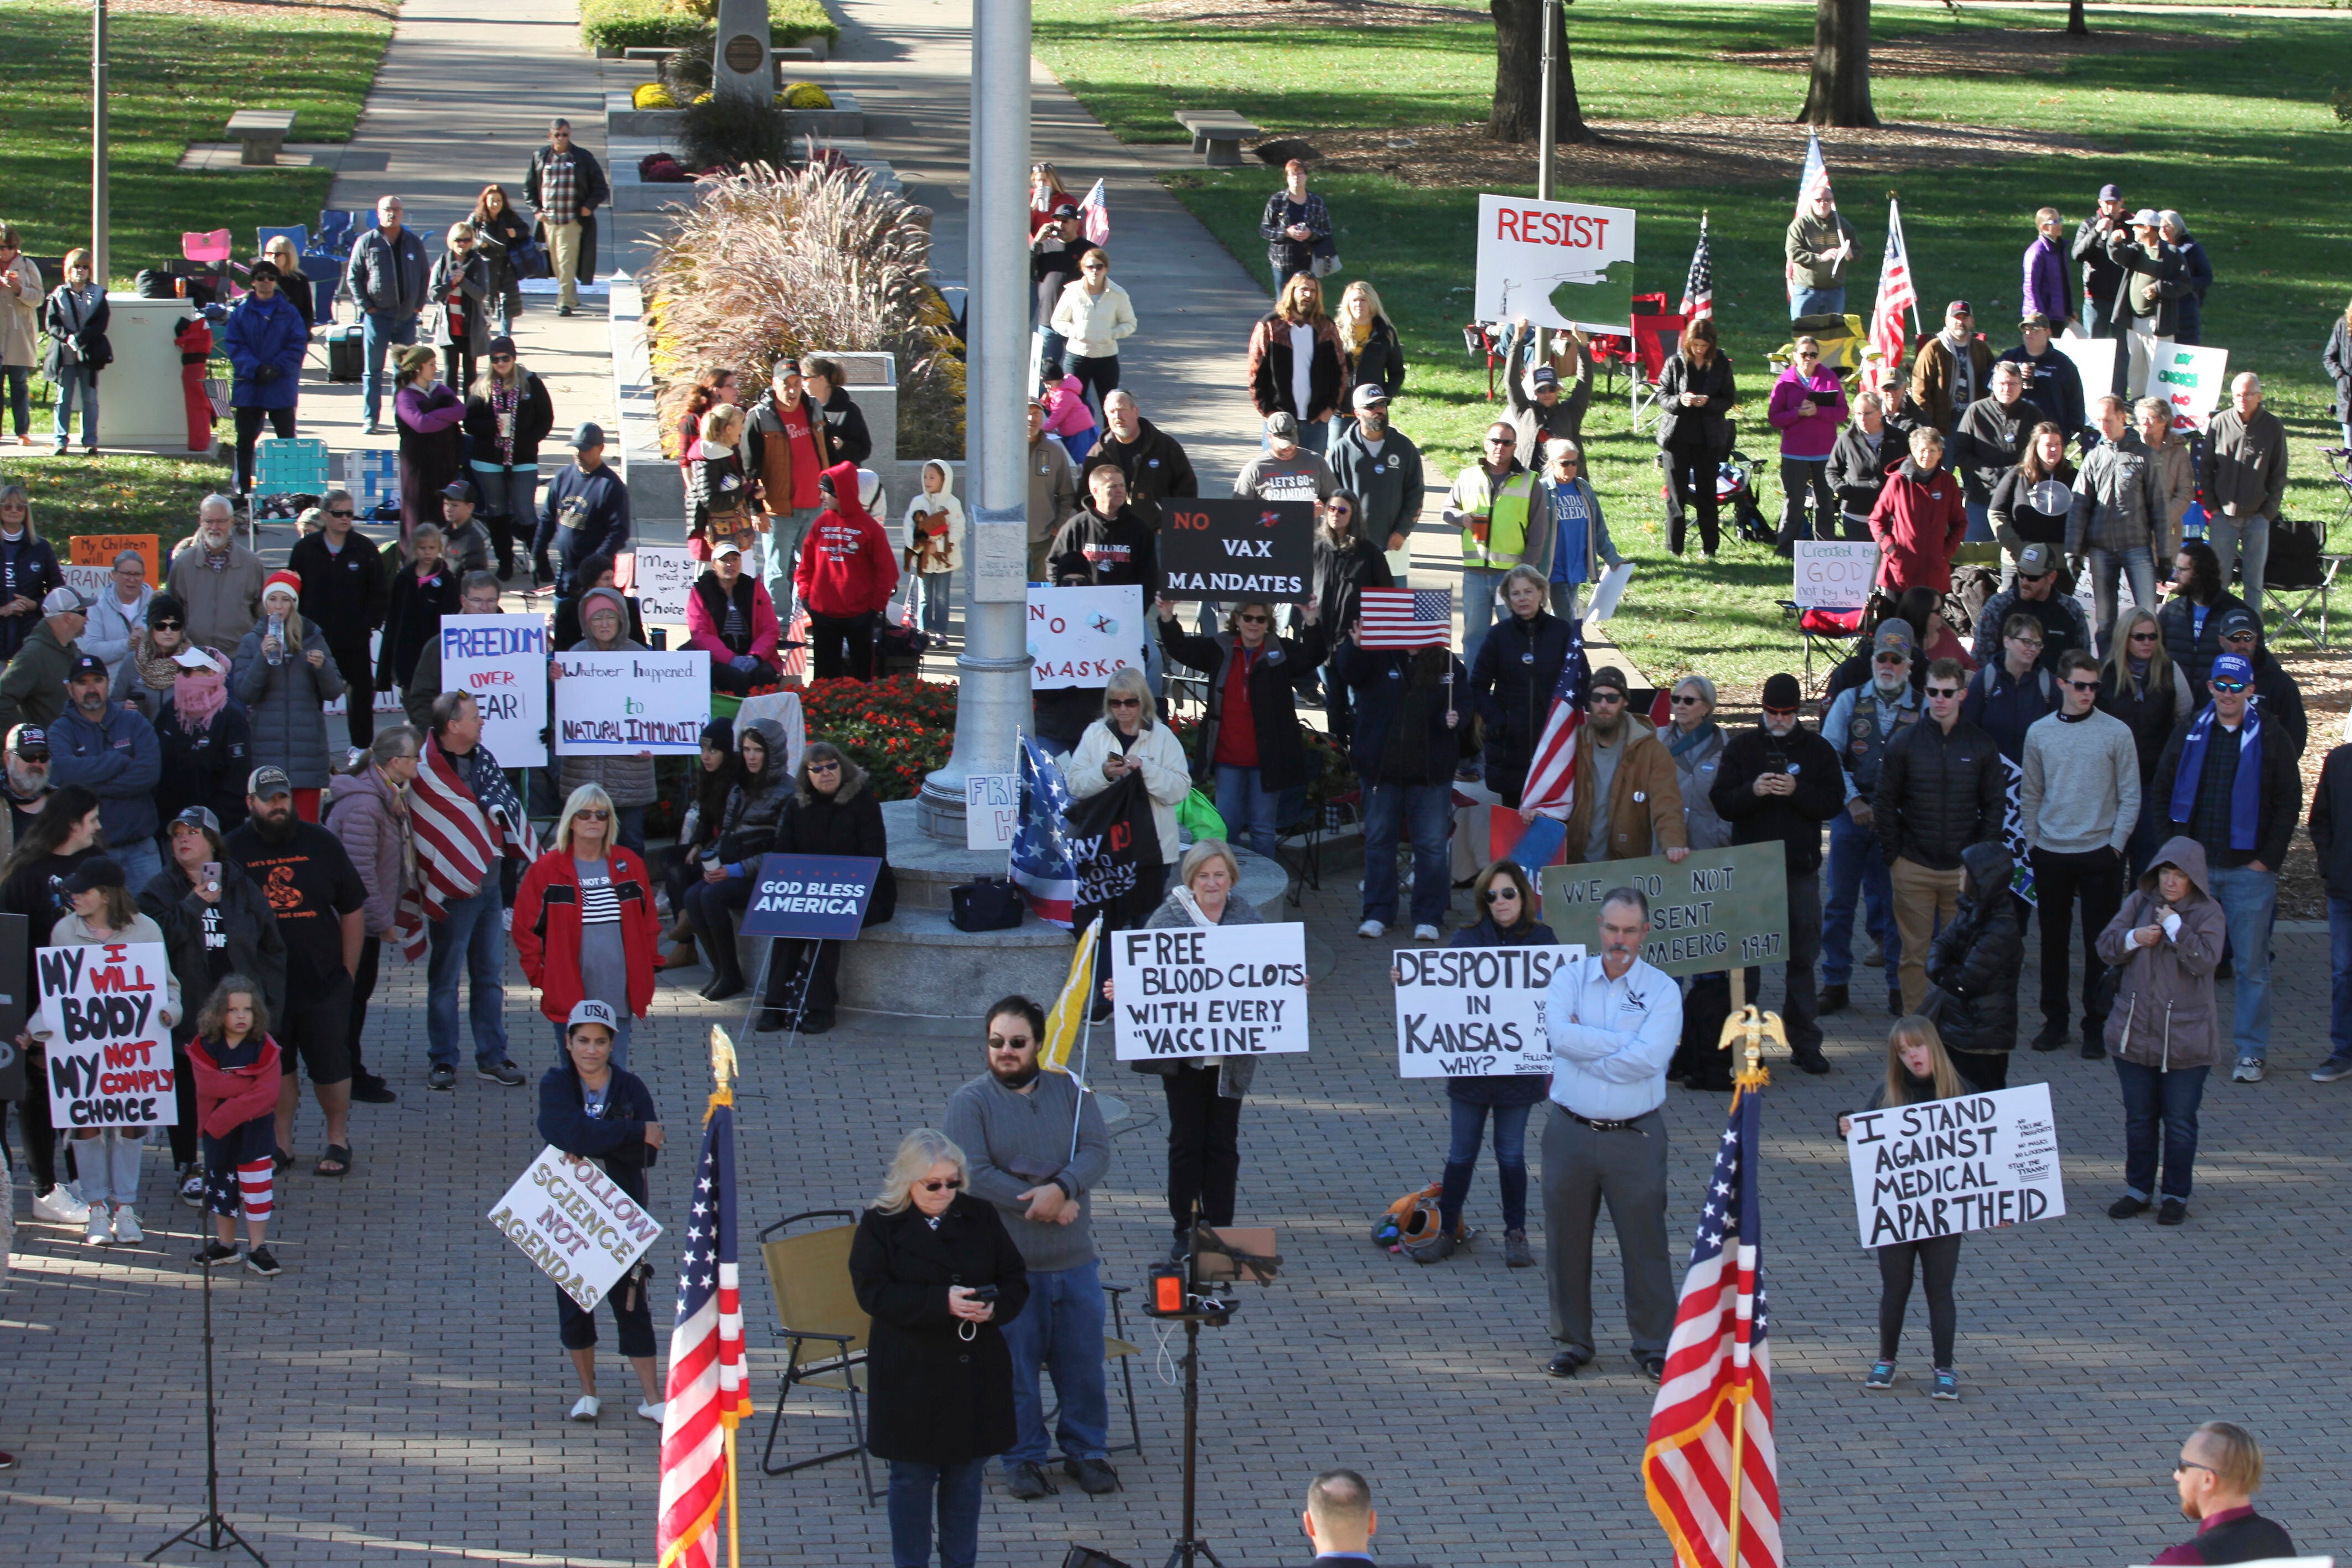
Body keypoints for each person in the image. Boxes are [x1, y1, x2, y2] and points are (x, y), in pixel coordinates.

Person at [939, 996, 1116, 1501]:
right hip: (1008, 1271)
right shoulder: (970, 1102)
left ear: (1039, 1044)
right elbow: (971, 1174)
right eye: (996, 1042)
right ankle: (1023, 1459)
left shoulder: (1071, 1087)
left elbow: (1097, 1151)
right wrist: (1044, 1203)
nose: (1006, 1051)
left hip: (1074, 1263)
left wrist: (1062, 1188)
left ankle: (1087, 1452)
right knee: (1015, 1373)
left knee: (1082, 1367)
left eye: (1018, 1042)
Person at [850, 1127, 1028, 1567]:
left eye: (953, 1183)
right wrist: (939, 1302)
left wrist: (994, 1308)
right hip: (911, 1377)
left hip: (972, 1372)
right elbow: (872, 1294)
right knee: (911, 1480)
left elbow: (1015, 1280)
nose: (945, 1192)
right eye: (934, 1184)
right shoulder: (880, 1224)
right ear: (908, 1182)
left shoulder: (980, 1216)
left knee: (966, 1481)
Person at [1540, 886, 1681, 1381]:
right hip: (1568, 1132)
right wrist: (1623, 1045)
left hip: (1636, 1137)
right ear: (1599, 927)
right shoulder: (1568, 979)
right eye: (1611, 928)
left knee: (1646, 1244)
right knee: (1565, 1241)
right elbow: (1559, 1036)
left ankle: (1654, 1346)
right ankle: (1572, 1341)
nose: (1618, 939)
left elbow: (1651, 1059)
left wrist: (1589, 1047)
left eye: (1629, 930)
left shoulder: (1664, 990)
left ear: (1645, 932)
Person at [2153, 653, 2298, 1085]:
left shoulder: (2271, 736)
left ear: (2251, 690)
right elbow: (2162, 788)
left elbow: (2289, 801)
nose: (2228, 693)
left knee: (2252, 968)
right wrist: (2172, 851)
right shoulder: (2190, 733)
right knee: (2186, 961)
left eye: (2237, 686)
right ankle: (2190, 1044)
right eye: (2222, 685)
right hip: (2193, 873)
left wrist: (2266, 860)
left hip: (2247, 873)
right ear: (2212, 688)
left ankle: (2252, 1053)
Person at [1408, 860, 1555, 1266]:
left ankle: (1516, 1234)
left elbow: (1559, 995)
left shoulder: (1543, 940)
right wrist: (1409, 982)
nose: (1500, 902)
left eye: (1508, 893)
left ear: (1523, 896)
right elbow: (1439, 991)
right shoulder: (1467, 938)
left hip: (1518, 1074)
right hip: (1472, 1069)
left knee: (1511, 1155)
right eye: (1491, 895)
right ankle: (1446, 1230)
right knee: (1461, 1153)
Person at [1126, 841, 1268, 1256]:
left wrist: (1294, 984)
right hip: (1182, 1059)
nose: (1212, 883)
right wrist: (1127, 990)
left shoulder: (1246, 918)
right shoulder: (1167, 919)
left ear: (1231, 880)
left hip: (1230, 1059)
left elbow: (1272, 970)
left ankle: (1220, 1228)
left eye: (1219, 875)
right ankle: (1185, 1226)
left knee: (1223, 1142)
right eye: (1203, 875)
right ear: (1191, 879)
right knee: (1187, 1141)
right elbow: (1144, 974)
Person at [142, 804, 288, 1198]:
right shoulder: (159, 889)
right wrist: (194, 903)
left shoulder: (242, 886)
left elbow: (271, 947)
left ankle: (233, 1164)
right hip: (188, 1010)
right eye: (176, 834)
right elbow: (154, 941)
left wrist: (269, 1003)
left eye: (192, 832)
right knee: (190, 1090)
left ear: (212, 842)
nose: (183, 840)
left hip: (238, 1009)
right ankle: (189, 1165)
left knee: (239, 1089)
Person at [33, 855, 182, 1245]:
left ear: (106, 895)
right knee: (86, 1122)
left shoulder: (145, 929)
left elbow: (169, 988)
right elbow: (57, 996)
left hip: (132, 1053)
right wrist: (37, 1028)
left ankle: (126, 1207)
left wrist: (168, 1013)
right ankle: (96, 1207)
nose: (74, 896)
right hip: (84, 1052)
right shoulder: (63, 931)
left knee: (132, 1121)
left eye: (82, 891)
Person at [224, 764, 365, 1170]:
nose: (278, 806)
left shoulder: (321, 843)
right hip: (262, 989)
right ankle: (280, 1143)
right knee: (277, 1068)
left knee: (331, 1067)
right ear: (250, 804)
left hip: (322, 982)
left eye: (283, 797)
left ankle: (337, 1139)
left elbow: (353, 907)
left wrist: (348, 974)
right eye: (268, 800)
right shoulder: (232, 849)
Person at [533, 999, 666, 1422]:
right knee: (574, 1306)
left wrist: (590, 1140)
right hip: (571, 1218)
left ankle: (652, 1398)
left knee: (632, 1305)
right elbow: (563, 1131)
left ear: (613, 1044)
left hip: (620, 1217)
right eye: (583, 1041)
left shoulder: (632, 1088)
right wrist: (630, 1132)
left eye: (601, 1042)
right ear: (568, 1043)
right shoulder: (555, 1084)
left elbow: (648, 1156)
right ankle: (588, 1394)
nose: (592, 1050)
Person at [1710, 673, 1843, 1073]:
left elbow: (1834, 802)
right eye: (1772, 712)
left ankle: (1804, 1042)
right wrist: (1753, 791)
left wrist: (1797, 791)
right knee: (1747, 966)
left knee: (1802, 959)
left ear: (1797, 712)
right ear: (1763, 710)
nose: (1780, 720)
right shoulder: (1742, 748)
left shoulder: (1818, 750)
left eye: (1787, 713)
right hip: (1752, 874)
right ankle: (1748, 1045)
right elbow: (1722, 801)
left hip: (1799, 870)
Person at [1838, 1016, 1976, 1400]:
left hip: (1943, 1213)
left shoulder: (1961, 1093)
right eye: (1902, 1050)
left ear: (1933, 1045)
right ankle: (1887, 1359)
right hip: (1898, 1212)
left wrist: (1994, 1207)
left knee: (1940, 1290)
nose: (1912, 1055)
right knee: (1895, 1288)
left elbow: (1989, 1160)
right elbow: (1861, 1135)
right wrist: (1845, 1126)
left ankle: (1944, 1367)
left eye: (1917, 1046)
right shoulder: (1890, 1092)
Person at [2091, 836, 2220, 1228]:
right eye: (2166, 873)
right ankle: (2138, 1190)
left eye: (2180, 876)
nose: (2171, 882)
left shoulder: (2209, 913)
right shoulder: (2138, 903)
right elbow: (2105, 947)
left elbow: (2207, 961)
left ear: (2193, 880)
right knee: (2139, 1118)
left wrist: (2176, 928)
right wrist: (2134, 938)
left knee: (2180, 1121)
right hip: (2134, 1034)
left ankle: (2175, 1194)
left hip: (2186, 1042)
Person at [2021, 648, 2140, 1055]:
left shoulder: (2116, 733)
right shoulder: (2039, 733)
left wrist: (2115, 846)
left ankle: (2096, 1023)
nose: (2088, 693)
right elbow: (2031, 792)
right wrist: (2033, 842)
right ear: (2061, 685)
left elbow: (2130, 795)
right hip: (2052, 850)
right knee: (2052, 943)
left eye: (2094, 686)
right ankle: (2055, 1021)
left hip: (2099, 853)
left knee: (2099, 944)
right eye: (2080, 685)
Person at [1873, 658, 2004, 1013]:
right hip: (1913, 865)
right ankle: (1915, 1029)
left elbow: (1994, 805)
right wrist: (1894, 856)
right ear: (1925, 692)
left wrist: (1977, 862)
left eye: (1948, 693)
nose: (1940, 700)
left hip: (1962, 873)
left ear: (1962, 694)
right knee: (1914, 955)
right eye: (1932, 692)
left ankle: (1952, 1028)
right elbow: (1884, 801)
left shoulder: (1980, 745)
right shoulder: (1905, 743)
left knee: (1959, 955)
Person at [414, 692, 530, 1091]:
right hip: (451, 890)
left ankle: (492, 1057)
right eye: (477, 716)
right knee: (445, 979)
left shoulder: (485, 759)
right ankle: (443, 1060)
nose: (483, 722)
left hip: (491, 885)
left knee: (489, 976)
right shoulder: (423, 769)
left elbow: (507, 803)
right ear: (453, 726)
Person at [1158, 596, 1324, 860]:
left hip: (1268, 760)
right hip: (1228, 760)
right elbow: (1181, 650)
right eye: (1248, 618)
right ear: (1237, 619)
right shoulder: (1220, 647)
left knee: (1262, 830)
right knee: (1227, 827)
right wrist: (1167, 616)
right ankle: (1229, 889)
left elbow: (1313, 655)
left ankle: (1267, 892)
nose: (1254, 624)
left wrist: (1311, 619)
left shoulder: (1280, 651)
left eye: (1261, 619)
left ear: (1269, 623)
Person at [514, 785, 659, 1069]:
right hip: (569, 987)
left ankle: (609, 1115)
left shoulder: (630, 864)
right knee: (575, 1071)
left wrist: (648, 966)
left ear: (610, 822)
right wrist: (541, 976)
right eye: (585, 814)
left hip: (619, 987)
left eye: (601, 815)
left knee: (614, 1070)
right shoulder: (546, 869)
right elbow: (524, 928)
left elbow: (649, 923)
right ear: (571, 820)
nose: (593, 820)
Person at [755, 743, 897, 1036]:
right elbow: (784, 853)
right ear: (807, 775)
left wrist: (829, 888)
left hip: (863, 892)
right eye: (817, 769)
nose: (826, 773)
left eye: (831, 766)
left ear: (841, 767)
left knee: (825, 923)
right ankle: (775, 1005)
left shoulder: (864, 803)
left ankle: (821, 1008)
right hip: (811, 892)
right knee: (788, 923)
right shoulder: (797, 806)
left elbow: (874, 856)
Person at [1820, 625, 1919, 1020]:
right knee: (1840, 902)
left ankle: (1898, 986)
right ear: (1873, 661)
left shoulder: (1922, 709)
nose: (1889, 666)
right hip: (1851, 815)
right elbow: (1829, 753)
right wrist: (1853, 800)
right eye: (1883, 658)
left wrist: (1894, 809)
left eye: (1897, 660)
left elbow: (1924, 766)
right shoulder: (1848, 701)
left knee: (1898, 905)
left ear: (1909, 665)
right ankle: (1835, 982)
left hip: (1896, 821)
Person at [1337, 635, 1464, 942]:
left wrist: (1457, 717)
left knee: (1432, 847)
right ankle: (1378, 913)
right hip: (1382, 772)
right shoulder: (1375, 655)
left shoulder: (1446, 663)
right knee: (1379, 842)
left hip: (1431, 774)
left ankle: (1428, 917)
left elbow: (1465, 701)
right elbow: (1348, 673)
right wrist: (1354, 645)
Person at [326, 726, 418, 1106]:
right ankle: (344, 1073)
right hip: (350, 925)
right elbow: (359, 874)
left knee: (358, 997)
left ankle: (352, 1067)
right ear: (395, 763)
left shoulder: (383, 795)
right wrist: (384, 923)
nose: (418, 763)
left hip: (360, 922)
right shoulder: (366, 805)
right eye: (414, 757)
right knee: (351, 998)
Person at [678, 718, 792, 1001]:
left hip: (765, 876)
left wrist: (735, 870)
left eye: (758, 750)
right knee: (693, 896)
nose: (751, 756)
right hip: (735, 866)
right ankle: (721, 971)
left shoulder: (788, 792)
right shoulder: (740, 787)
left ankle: (731, 975)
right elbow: (728, 832)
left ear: (772, 752)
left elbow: (782, 853)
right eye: (746, 749)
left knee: (711, 897)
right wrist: (713, 859)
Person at [186, 977, 286, 1276]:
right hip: (220, 1137)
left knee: (257, 1191)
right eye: (233, 1010)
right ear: (219, 1013)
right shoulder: (204, 1046)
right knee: (221, 1187)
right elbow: (207, 1084)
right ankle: (226, 1245)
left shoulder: (266, 1047)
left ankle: (258, 1248)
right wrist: (246, 1085)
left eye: (248, 1009)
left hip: (253, 1133)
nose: (241, 1016)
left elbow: (267, 1093)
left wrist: (221, 1116)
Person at [1067, 667, 1189, 906]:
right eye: (1116, 703)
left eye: (1130, 702)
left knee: (1145, 925)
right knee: (1108, 926)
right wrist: (1103, 774)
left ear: (1142, 701)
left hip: (1152, 850)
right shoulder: (1095, 734)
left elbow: (1180, 790)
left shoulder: (1162, 736)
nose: (1123, 709)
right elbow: (1075, 785)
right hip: (1104, 848)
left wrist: (1145, 770)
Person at [47, 652, 164, 890]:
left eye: (97, 681)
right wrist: (118, 760)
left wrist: (89, 786)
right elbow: (63, 775)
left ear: (108, 684)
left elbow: (149, 775)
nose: (91, 688)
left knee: (153, 922)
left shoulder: (135, 722)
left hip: (141, 849)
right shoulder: (60, 730)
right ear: (70, 689)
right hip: (89, 853)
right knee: (97, 926)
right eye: (82, 682)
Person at [234, 573, 344, 822]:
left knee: (306, 830)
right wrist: (262, 658)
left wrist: (322, 667)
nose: (279, 606)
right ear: (265, 604)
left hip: (308, 752)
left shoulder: (313, 637)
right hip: (267, 751)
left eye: (285, 599)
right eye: (273, 599)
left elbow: (334, 691)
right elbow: (244, 693)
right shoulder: (252, 642)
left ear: (294, 603)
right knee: (272, 829)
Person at [1558, 664, 1690, 869]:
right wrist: (1538, 809)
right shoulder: (1572, 745)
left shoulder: (1652, 751)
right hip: (1576, 863)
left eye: (1612, 698)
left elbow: (1668, 805)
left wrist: (1673, 844)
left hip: (1625, 866)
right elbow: (1551, 788)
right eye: (1597, 697)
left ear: (1625, 702)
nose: (1603, 704)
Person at [288, 490, 390, 750]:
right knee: (310, 695)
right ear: (325, 516)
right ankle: (310, 747)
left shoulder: (365, 549)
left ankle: (361, 749)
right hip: (314, 639)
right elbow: (293, 590)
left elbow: (378, 591)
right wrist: (298, 628)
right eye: (339, 513)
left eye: (349, 513)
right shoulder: (305, 549)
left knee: (360, 695)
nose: (345, 518)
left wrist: (368, 622)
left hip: (353, 639)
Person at [1919, 840, 2022, 1091]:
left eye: (1967, 870)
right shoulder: (1971, 910)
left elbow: (1966, 982)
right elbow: (1940, 946)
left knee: (1982, 1104)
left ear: (1983, 878)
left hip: (1982, 1038)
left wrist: (1942, 970)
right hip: (1960, 1029)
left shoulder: (2000, 928)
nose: (1960, 874)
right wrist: (1944, 968)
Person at [2099, 606, 2193, 876]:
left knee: (2149, 863)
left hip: (2154, 783)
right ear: (2124, 638)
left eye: (2153, 637)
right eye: (2140, 637)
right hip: (2112, 785)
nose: (2148, 643)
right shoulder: (2106, 675)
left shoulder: (2170, 671)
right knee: (2110, 863)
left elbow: (2186, 720)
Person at [1469, 566, 1570, 811]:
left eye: (1528, 591)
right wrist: (1497, 720)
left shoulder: (1562, 632)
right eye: (1515, 594)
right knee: (1513, 822)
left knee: (1550, 821)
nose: (1522, 598)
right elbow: (1477, 687)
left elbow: (1580, 680)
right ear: (1507, 599)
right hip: (1510, 745)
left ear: (1541, 593)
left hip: (1552, 741)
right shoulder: (1497, 636)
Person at [796, 460, 899, 682]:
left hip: (860, 616)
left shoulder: (870, 528)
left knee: (861, 678)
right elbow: (806, 567)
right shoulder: (820, 524)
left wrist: (873, 609)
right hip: (823, 615)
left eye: (826, 492)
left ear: (841, 492)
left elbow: (888, 573)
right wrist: (807, 600)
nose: (821, 498)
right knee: (824, 679)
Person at [1444, 421, 1535, 671]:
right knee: (1474, 638)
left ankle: (1514, 691)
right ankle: (1473, 693)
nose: (1500, 447)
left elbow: (1540, 531)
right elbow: (1447, 510)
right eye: (1495, 441)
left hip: (1512, 577)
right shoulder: (1467, 476)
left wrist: (1526, 573)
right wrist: (1461, 519)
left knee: (1516, 638)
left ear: (1515, 447)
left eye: (1507, 443)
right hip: (1475, 574)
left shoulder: (1529, 481)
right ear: (1485, 444)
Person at [464, 337, 555, 580]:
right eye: (495, 359)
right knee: (498, 512)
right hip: (488, 459)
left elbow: (546, 419)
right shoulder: (481, 385)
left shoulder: (531, 383)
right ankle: (505, 563)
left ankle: (541, 560)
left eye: (506, 358)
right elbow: (469, 422)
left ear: (514, 358)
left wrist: (528, 440)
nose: (501, 363)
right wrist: (492, 427)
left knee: (526, 512)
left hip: (522, 457)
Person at [745, 358, 833, 604]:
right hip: (778, 511)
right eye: (787, 385)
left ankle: (804, 620)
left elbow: (828, 451)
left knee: (812, 570)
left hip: (815, 506)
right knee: (777, 572)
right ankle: (781, 625)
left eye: (797, 383)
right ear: (774, 385)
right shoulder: (760, 416)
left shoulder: (814, 408)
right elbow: (749, 468)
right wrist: (756, 509)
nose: (793, 390)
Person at [2200, 373, 2288, 614]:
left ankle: (2253, 637)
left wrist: (2268, 511)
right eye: (2238, 394)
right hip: (2223, 516)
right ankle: (2217, 631)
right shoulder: (2220, 422)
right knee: (2220, 582)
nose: (2242, 399)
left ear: (2259, 397)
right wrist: (2213, 505)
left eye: (2248, 394)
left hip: (2257, 516)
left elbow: (2279, 472)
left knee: (2254, 583)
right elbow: (2206, 466)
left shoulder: (2273, 426)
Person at [2149, 1421, 2296, 1564]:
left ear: (2208, 1479)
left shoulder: (2182, 1561)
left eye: (2182, 1466)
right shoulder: (2277, 1538)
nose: (2177, 1475)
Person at [220, 259, 306, 502]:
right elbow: (234, 345)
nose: (266, 282)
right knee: (245, 439)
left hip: (280, 384)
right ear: (253, 282)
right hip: (250, 384)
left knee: (286, 440)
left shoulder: (289, 312)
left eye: (270, 277)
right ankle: (242, 490)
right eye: (261, 277)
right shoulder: (241, 312)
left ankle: (289, 491)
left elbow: (297, 343)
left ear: (276, 281)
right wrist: (255, 368)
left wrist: (277, 368)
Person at [345, 196, 430, 434]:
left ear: (402, 213)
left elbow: (425, 275)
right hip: (377, 317)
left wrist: (418, 306)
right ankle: (370, 418)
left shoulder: (413, 242)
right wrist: (367, 307)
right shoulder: (367, 242)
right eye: (387, 210)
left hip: (406, 317)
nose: (392, 214)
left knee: (403, 372)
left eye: (396, 210)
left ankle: (401, 416)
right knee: (373, 371)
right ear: (378, 214)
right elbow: (353, 278)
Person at [1656, 319, 1738, 560]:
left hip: (1708, 439)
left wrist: (1709, 403)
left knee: (1707, 495)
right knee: (1676, 495)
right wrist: (1680, 401)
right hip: (1677, 437)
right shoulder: (1675, 362)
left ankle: (1710, 547)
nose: (1699, 349)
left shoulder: (1721, 363)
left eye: (1704, 345)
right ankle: (1675, 548)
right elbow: (1662, 395)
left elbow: (1728, 398)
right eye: (1695, 345)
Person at [1246, 274, 1348, 458]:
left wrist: (1330, 408)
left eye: (1313, 291)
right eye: (1304, 289)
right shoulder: (1270, 326)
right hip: (1280, 418)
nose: (1308, 295)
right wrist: (1268, 412)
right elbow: (1255, 373)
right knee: (1277, 478)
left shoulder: (1326, 327)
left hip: (1316, 422)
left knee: (1312, 479)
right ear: (1292, 292)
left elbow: (1340, 371)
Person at [1768, 337, 1849, 550]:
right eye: (1804, 354)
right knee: (1794, 502)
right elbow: (1774, 418)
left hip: (1824, 452)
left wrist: (1818, 411)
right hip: (1795, 453)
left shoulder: (1828, 377)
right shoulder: (1785, 381)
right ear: (1795, 356)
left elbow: (1842, 413)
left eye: (1813, 355)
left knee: (1825, 503)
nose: (1809, 359)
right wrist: (1798, 413)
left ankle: (1824, 548)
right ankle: (1786, 547)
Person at [535, 422, 631, 595]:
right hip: (565, 571)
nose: (579, 454)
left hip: (594, 578)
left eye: (586, 449)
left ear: (601, 448)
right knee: (564, 617)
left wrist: (594, 566)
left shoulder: (610, 486)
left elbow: (619, 533)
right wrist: (538, 552)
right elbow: (548, 518)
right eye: (576, 448)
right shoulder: (563, 476)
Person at [524, 118, 608, 318]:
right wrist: (536, 210)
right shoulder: (540, 157)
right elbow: (529, 188)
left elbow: (600, 187)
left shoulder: (583, 158)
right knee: (557, 263)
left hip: (572, 219)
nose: (561, 139)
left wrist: (588, 207)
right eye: (557, 135)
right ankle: (572, 296)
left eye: (565, 135)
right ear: (550, 136)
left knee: (565, 261)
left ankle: (565, 302)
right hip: (549, 220)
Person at [1327, 385, 1423, 559]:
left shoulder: (1404, 448)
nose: (1379, 410)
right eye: (1371, 407)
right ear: (1357, 414)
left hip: (1392, 545)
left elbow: (1415, 494)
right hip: (1351, 543)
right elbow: (1331, 496)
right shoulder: (1341, 450)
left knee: (1393, 587)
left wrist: (1402, 531)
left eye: (1382, 405)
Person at [1868, 428, 1965, 596]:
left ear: (1940, 453)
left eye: (1932, 450)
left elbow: (1960, 523)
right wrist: (1891, 548)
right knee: (1897, 622)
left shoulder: (1948, 483)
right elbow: (1876, 520)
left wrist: (1946, 552)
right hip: (1900, 572)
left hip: (1934, 574)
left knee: (1931, 622)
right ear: (1913, 451)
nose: (1927, 455)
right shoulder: (1897, 481)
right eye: (1922, 450)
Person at [166, 496, 268, 656]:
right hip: (194, 658)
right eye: (209, 521)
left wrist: (256, 647)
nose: (214, 527)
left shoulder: (251, 564)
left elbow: (263, 613)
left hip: (240, 657)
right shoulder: (183, 564)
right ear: (201, 522)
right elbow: (170, 610)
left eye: (221, 521)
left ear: (232, 522)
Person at [1090, 390, 1197, 539]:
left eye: (1122, 410)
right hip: (1112, 536)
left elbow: (1187, 491)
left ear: (1135, 412)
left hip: (1156, 535)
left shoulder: (1165, 446)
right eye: (1112, 412)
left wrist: (1171, 526)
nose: (1117, 416)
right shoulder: (1098, 454)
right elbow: (1085, 497)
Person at [1047, 247, 1134, 428]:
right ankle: (1077, 450)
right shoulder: (1072, 292)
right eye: (1090, 266)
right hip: (1077, 357)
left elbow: (1130, 323)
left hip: (1106, 359)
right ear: (1083, 269)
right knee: (1072, 406)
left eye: (1099, 266)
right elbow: (1057, 321)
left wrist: (1112, 334)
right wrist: (1077, 333)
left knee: (1111, 407)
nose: (1095, 271)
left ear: (1106, 269)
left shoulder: (1118, 294)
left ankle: (1111, 446)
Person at [403, 570, 501, 730]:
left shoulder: (520, 641)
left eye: (491, 600)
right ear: (463, 601)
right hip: (454, 739)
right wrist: (435, 733)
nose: (485, 607)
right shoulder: (441, 645)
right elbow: (422, 697)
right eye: (477, 600)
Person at [1968, 542, 2087, 675]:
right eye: (2021, 574)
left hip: (2056, 692)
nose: (2025, 582)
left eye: (2032, 577)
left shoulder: (2071, 610)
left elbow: (2082, 662)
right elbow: (1980, 659)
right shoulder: (1998, 606)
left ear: (2052, 577)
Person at [2105, 209, 2189, 394]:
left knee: (2159, 369)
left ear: (2148, 228)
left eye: (2137, 226)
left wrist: (2158, 288)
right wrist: (2114, 242)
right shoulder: (2137, 250)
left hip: (2158, 322)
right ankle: (2138, 409)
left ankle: (2161, 411)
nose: (2133, 229)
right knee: (2136, 370)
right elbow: (2118, 256)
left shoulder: (2172, 253)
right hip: (2134, 321)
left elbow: (2185, 284)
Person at [1961, 612, 2059, 771]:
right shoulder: (1985, 679)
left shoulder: (2049, 685)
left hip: (2035, 781)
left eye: (2038, 644)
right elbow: (1966, 731)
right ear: (2007, 641)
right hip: (1989, 777)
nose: (2033, 649)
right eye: (2027, 642)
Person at [1950, 362, 2032, 545]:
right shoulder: (1976, 411)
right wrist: (1988, 473)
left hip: (2019, 500)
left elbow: (2037, 457)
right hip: (1982, 497)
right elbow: (1960, 454)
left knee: (2019, 558)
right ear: (1993, 384)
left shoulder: (2033, 415)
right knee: (1977, 561)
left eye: (2012, 384)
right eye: (2002, 383)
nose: (2007, 389)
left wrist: (2011, 474)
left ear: (2022, 386)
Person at [393, 346, 465, 548]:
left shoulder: (441, 390)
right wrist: (444, 417)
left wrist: (433, 416)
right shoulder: (405, 396)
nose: (436, 368)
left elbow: (460, 411)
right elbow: (421, 424)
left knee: (442, 513)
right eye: (431, 364)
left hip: (444, 464)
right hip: (418, 468)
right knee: (418, 513)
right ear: (418, 369)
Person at [2214, 607, 2306, 761]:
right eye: (2235, 638)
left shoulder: (2280, 683)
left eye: (2247, 637)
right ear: (2222, 641)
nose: (2242, 644)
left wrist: (2279, 770)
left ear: (2256, 639)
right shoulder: (2210, 678)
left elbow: (2296, 734)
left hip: (2265, 768)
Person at [41, 248, 108, 455]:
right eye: (76, 267)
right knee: (63, 398)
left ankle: (90, 441)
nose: (80, 271)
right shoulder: (58, 294)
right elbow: (51, 324)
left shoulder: (98, 294)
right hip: (65, 355)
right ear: (68, 269)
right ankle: (60, 441)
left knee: (90, 398)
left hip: (88, 354)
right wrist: (68, 337)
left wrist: (82, 339)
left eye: (85, 267)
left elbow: (101, 323)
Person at [1503, 316, 1593, 469]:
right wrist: (1517, 340)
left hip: (1563, 479)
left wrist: (1583, 346)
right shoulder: (1525, 411)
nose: (1547, 393)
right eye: (1541, 389)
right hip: (1527, 478)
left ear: (1559, 390)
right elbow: (1511, 383)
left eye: (1551, 388)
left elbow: (1585, 383)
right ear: (1535, 392)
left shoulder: (1571, 411)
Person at [1987, 423, 2079, 565]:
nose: (2054, 449)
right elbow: (1996, 513)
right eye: (2048, 445)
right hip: (2019, 558)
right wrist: (2017, 547)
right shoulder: (2017, 475)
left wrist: (2076, 549)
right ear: (2035, 447)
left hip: (2061, 561)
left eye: (2058, 444)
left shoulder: (2076, 478)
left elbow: (2086, 513)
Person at [2156, 543, 2242, 692]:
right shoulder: (2171, 612)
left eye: (2182, 570)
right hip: (2175, 702)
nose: (2175, 575)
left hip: (2221, 700)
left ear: (2201, 573)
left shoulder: (2237, 614)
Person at [0, 585, 86, 735]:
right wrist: (29, 738)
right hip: (50, 754)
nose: (87, 619)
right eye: (83, 612)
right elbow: (2, 699)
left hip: (77, 749)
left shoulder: (72, 649)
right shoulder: (33, 655)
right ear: (68, 617)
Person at [2000, 313, 2090, 449]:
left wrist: (2068, 433)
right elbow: (1989, 384)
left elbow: (2076, 400)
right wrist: (2014, 375)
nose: (2029, 333)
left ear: (2048, 332)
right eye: (2025, 330)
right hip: (2013, 435)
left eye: (2035, 329)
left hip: (2050, 438)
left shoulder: (2062, 364)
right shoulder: (2010, 358)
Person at [1908, 301, 1993, 439]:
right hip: (1943, 425)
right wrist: (1927, 424)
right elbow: (1920, 389)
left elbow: (1993, 382)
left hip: (1974, 422)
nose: (1961, 322)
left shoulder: (1981, 349)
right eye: (1956, 318)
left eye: (1965, 318)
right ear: (1947, 321)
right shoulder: (1933, 349)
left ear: (1972, 321)